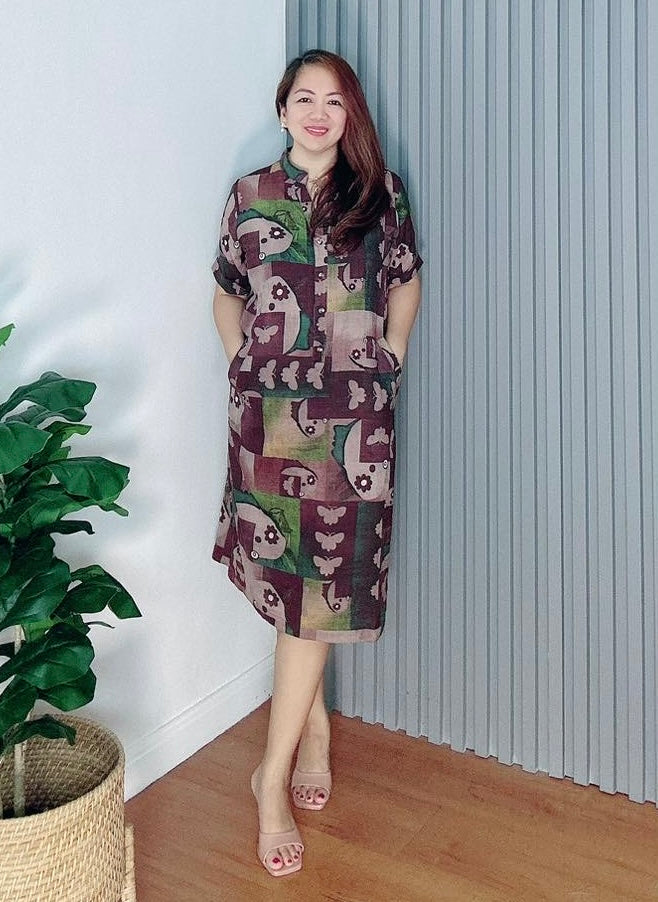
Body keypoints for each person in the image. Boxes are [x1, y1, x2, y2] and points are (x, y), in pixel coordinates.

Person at [211, 49, 422, 877]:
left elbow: (404, 279)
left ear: (349, 114)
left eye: (334, 101)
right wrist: (239, 361)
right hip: (267, 422)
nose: (318, 112)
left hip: (354, 425)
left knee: (323, 587)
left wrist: (394, 351)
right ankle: (307, 739)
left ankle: (274, 772)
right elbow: (226, 288)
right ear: (283, 109)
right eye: (304, 97)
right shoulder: (250, 195)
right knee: (289, 583)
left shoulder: (381, 194)